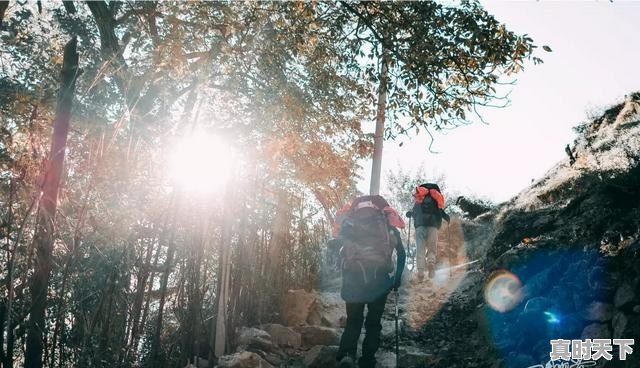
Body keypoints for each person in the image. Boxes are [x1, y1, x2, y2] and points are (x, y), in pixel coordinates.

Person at [334, 195, 406, 368]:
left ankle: (347, 355)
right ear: (379, 209)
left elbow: (337, 248)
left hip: (353, 279)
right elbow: (402, 254)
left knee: (353, 320)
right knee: (373, 323)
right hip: (379, 281)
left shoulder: (349, 224)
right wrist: (396, 280)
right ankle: (367, 360)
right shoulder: (386, 224)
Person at [407, 183, 449, 281]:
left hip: (420, 226)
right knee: (432, 248)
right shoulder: (435, 199)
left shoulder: (420, 199)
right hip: (433, 226)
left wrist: (409, 214)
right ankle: (431, 263)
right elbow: (441, 212)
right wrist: (447, 218)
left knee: (420, 249)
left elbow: (414, 212)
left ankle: (420, 272)